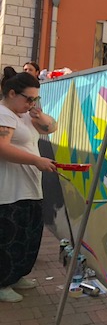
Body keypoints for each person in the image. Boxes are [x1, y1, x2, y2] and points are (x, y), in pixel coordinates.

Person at [0, 67, 58, 303]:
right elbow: (2, 148)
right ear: (12, 93)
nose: (31, 104)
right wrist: (36, 160)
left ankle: (16, 275)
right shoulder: (4, 114)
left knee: (27, 235)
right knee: (8, 238)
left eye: (36, 99)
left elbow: (51, 128)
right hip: (9, 189)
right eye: (29, 99)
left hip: (29, 187)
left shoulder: (24, 115)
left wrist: (39, 115)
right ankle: (3, 282)